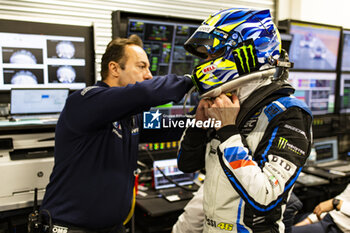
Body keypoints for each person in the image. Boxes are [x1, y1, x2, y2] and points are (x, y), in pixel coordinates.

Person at [175, 8, 313, 233]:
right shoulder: (224, 101)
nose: (206, 62)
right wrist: (198, 126)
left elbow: (266, 196)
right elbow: (186, 165)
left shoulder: (290, 113)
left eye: (213, 54)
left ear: (246, 51)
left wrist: (228, 131)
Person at [40, 34, 193, 233]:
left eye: (148, 67)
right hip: (70, 228)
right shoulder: (85, 101)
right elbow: (145, 93)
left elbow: (171, 124)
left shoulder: (133, 117)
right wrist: (194, 80)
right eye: (141, 66)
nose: (148, 75)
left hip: (113, 228)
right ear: (114, 68)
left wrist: (209, 118)